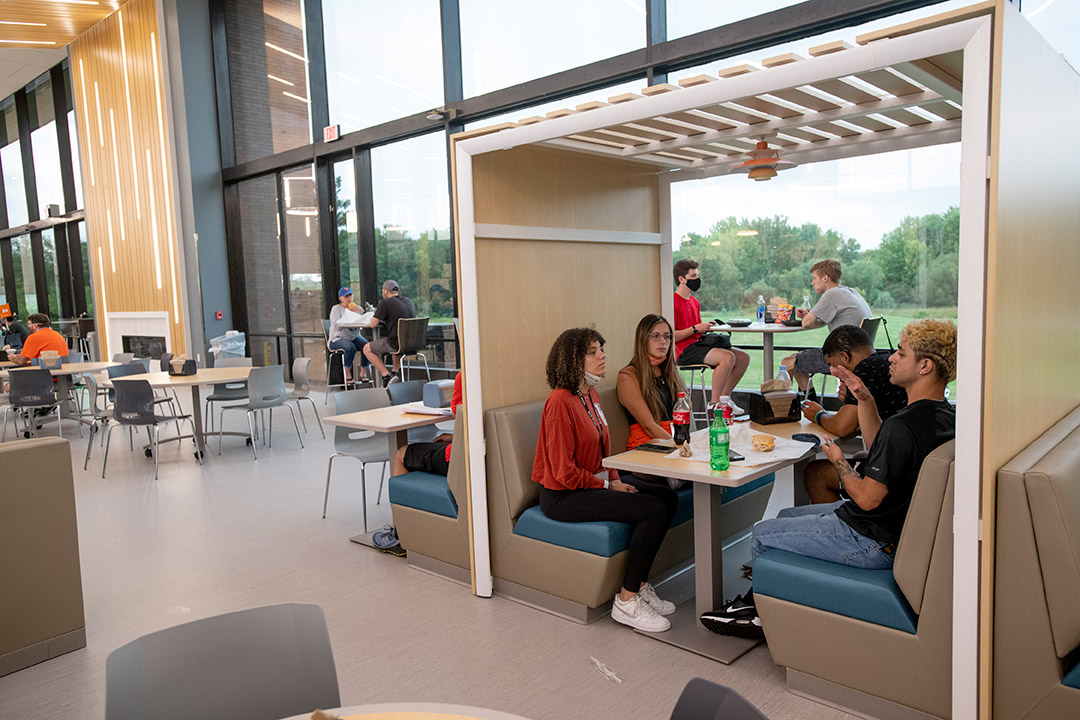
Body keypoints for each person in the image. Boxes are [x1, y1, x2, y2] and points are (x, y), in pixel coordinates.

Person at [701, 318, 956, 638]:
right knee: (786, 515)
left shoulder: (903, 426)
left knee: (762, 534)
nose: (890, 357)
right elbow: (882, 451)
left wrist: (838, 463)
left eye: (901, 354)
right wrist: (864, 398)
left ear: (925, 366)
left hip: (872, 540)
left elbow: (866, 497)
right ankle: (772, 601)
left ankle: (764, 618)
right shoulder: (946, 416)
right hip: (891, 530)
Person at [532, 327, 678, 633]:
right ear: (573, 359)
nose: (602, 355)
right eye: (593, 351)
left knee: (668, 496)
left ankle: (637, 584)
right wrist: (609, 485)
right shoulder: (559, 401)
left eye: (601, 349)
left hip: (592, 483)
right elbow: (562, 472)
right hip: (562, 496)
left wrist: (614, 477)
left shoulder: (590, 393)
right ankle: (626, 602)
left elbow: (602, 451)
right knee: (650, 507)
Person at [781, 259, 871, 393]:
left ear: (825, 278)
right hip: (857, 354)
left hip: (841, 356)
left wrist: (807, 317)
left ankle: (785, 408)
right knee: (798, 361)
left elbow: (806, 323)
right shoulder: (850, 292)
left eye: (814, 278)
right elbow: (817, 321)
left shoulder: (832, 293)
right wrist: (810, 316)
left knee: (787, 362)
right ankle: (810, 406)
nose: (812, 283)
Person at [672, 259, 749, 414]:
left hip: (698, 344)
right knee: (727, 357)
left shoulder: (694, 302)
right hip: (681, 350)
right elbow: (672, 335)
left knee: (743, 357)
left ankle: (725, 399)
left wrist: (705, 327)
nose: (697, 280)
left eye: (697, 275)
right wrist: (695, 328)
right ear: (681, 279)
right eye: (693, 276)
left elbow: (697, 330)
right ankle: (714, 405)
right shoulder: (672, 302)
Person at [617, 314, 685, 450]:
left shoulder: (671, 374)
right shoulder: (628, 376)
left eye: (667, 336)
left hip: (674, 442)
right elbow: (649, 426)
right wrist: (679, 447)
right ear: (643, 339)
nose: (663, 341)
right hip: (647, 445)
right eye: (655, 336)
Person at [392, 371, 463, 477]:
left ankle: (404, 493)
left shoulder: (465, 375)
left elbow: (459, 416)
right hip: (484, 457)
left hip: (458, 458)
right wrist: (455, 437)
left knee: (402, 453)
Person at [362, 279, 417, 385]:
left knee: (367, 348)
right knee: (395, 340)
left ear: (386, 291)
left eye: (382, 290)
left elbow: (373, 324)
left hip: (396, 343)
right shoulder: (408, 301)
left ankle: (386, 376)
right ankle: (395, 373)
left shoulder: (385, 303)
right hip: (411, 343)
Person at [327, 287, 370, 383]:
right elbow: (337, 324)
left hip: (353, 337)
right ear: (341, 298)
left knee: (367, 346)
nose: (349, 298)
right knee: (351, 347)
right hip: (337, 338)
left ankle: (363, 372)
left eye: (350, 295)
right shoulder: (336, 309)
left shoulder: (356, 308)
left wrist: (361, 312)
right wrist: (349, 316)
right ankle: (347, 373)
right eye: (346, 296)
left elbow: (362, 322)